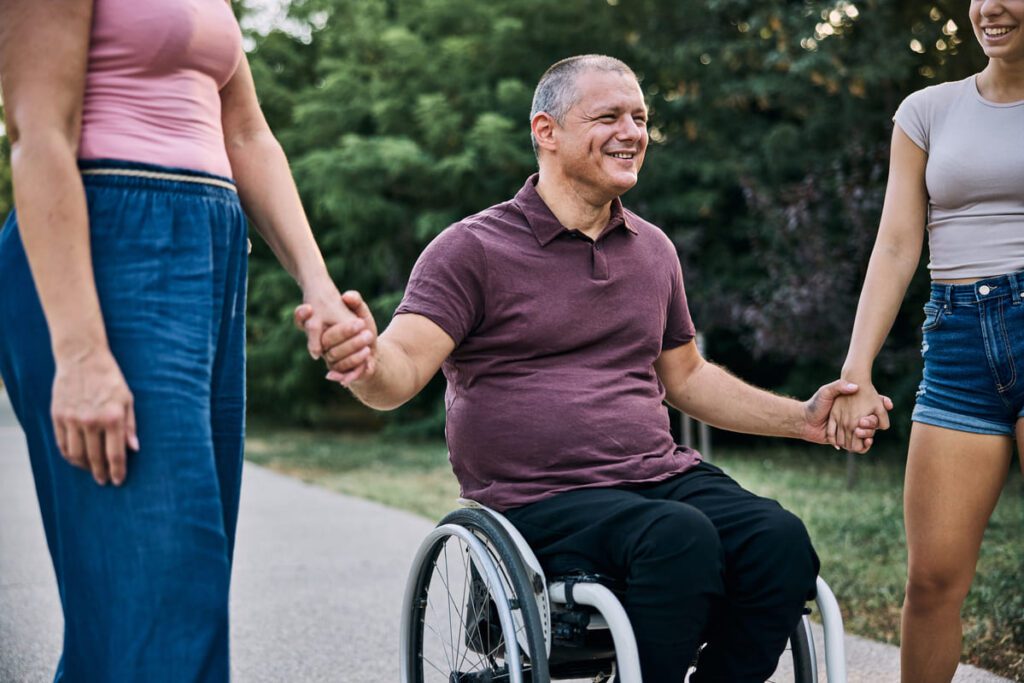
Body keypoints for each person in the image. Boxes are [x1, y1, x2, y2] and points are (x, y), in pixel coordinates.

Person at [305, 54, 887, 681]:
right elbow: (400, 371)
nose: (633, 132)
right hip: (537, 500)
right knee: (679, 539)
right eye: (608, 116)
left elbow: (687, 377)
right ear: (546, 130)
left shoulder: (653, 250)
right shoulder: (470, 250)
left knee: (779, 541)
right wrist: (363, 360)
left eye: (640, 117)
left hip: (655, 479)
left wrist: (802, 419)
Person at [0, 1, 360, 680]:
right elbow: (37, 133)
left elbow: (248, 134)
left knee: (161, 593)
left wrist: (317, 284)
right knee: (164, 589)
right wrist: (79, 353)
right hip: (108, 244)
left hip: (207, 250)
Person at [828, 1, 1024, 680]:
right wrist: (857, 369)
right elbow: (896, 243)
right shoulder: (928, 110)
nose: (991, 7)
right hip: (958, 343)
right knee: (933, 581)